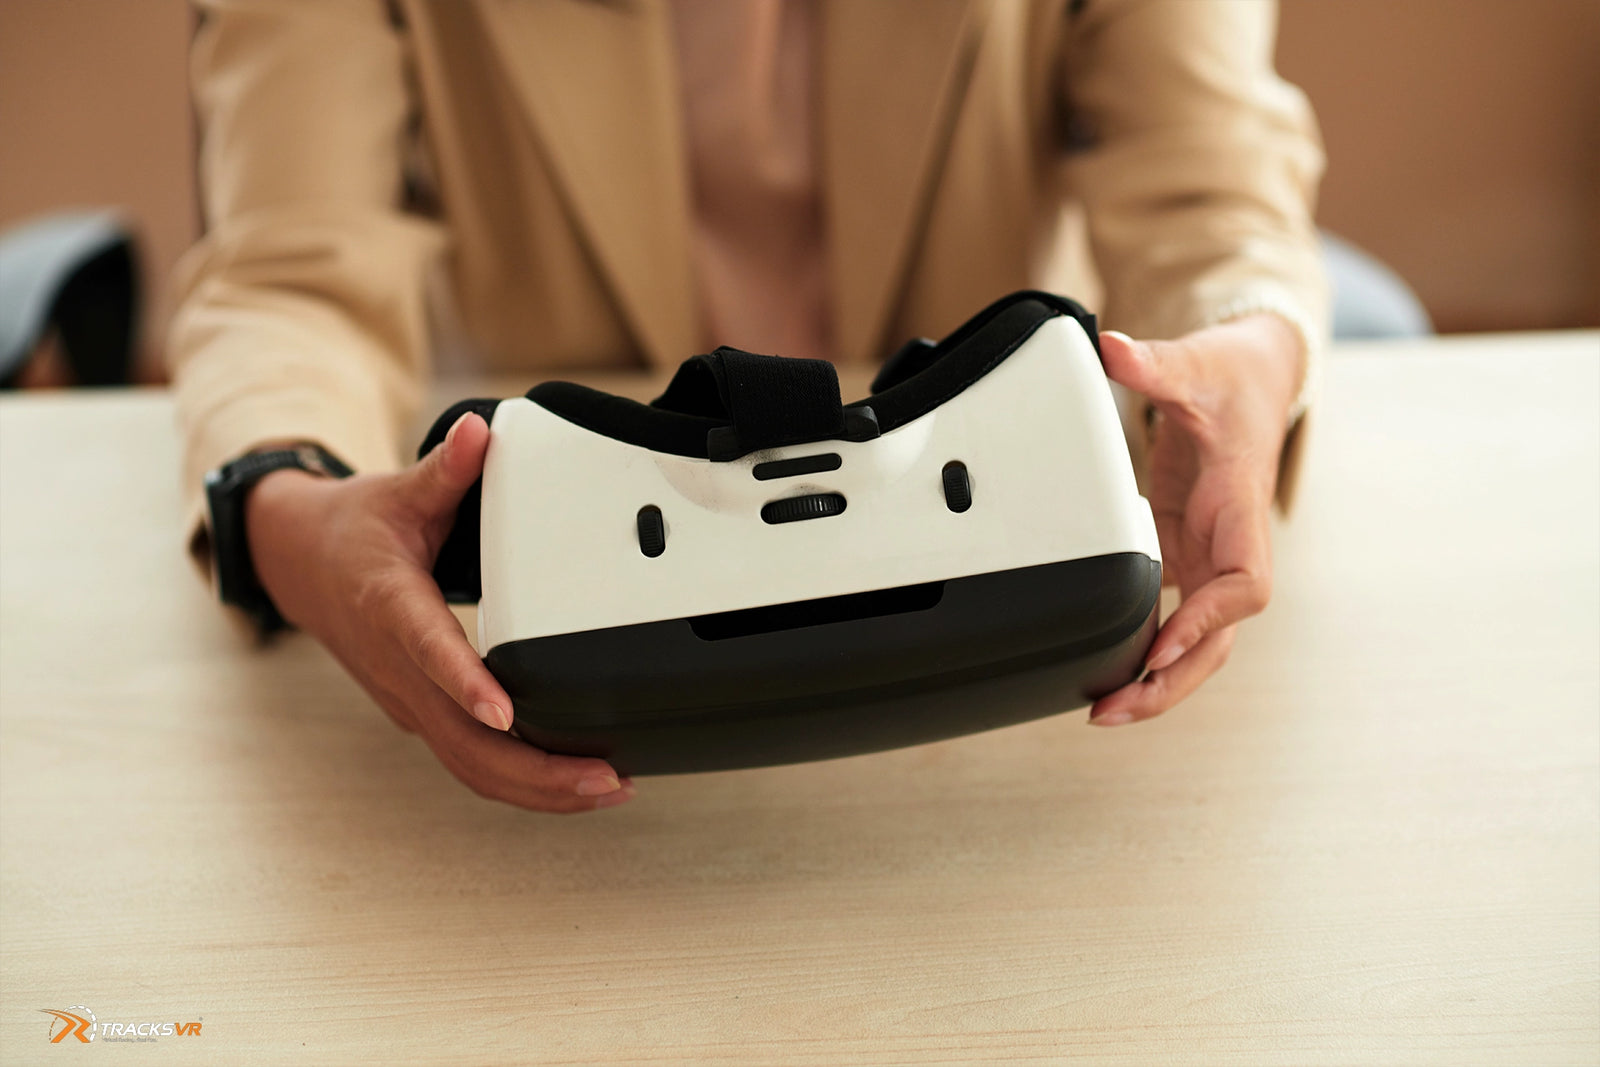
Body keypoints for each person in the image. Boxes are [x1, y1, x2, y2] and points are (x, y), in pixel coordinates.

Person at [169, 0, 1327, 813]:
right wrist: (290, 509)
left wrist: (1242, 354)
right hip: (587, 536)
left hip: (989, 517)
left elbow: (1211, 171)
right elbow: (290, 270)